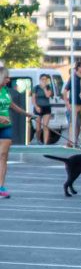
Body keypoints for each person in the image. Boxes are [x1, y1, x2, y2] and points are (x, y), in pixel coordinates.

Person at [0, 67, 35, 198]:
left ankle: (1, 186)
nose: (8, 79)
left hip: (6, 127)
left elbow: (12, 106)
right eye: (6, 77)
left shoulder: (5, 91)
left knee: (3, 156)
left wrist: (27, 114)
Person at [63, 61, 81, 149]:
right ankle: (71, 141)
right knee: (72, 123)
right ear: (78, 67)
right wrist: (67, 103)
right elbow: (65, 90)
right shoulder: (73, 78)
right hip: (74, 104)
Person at [33, 74, 53, 145]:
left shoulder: (48, 87)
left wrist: (44, 88)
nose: (44, 81)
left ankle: (45, 143)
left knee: (45, 126)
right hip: (38, 107)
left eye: (45, 79)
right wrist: (36, 107)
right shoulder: (36, 88)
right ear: (40, 79)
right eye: (43, 79)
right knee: (38, 128)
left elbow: (48, 95)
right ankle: (38, 140)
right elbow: (33, 99)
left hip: (46, 108)